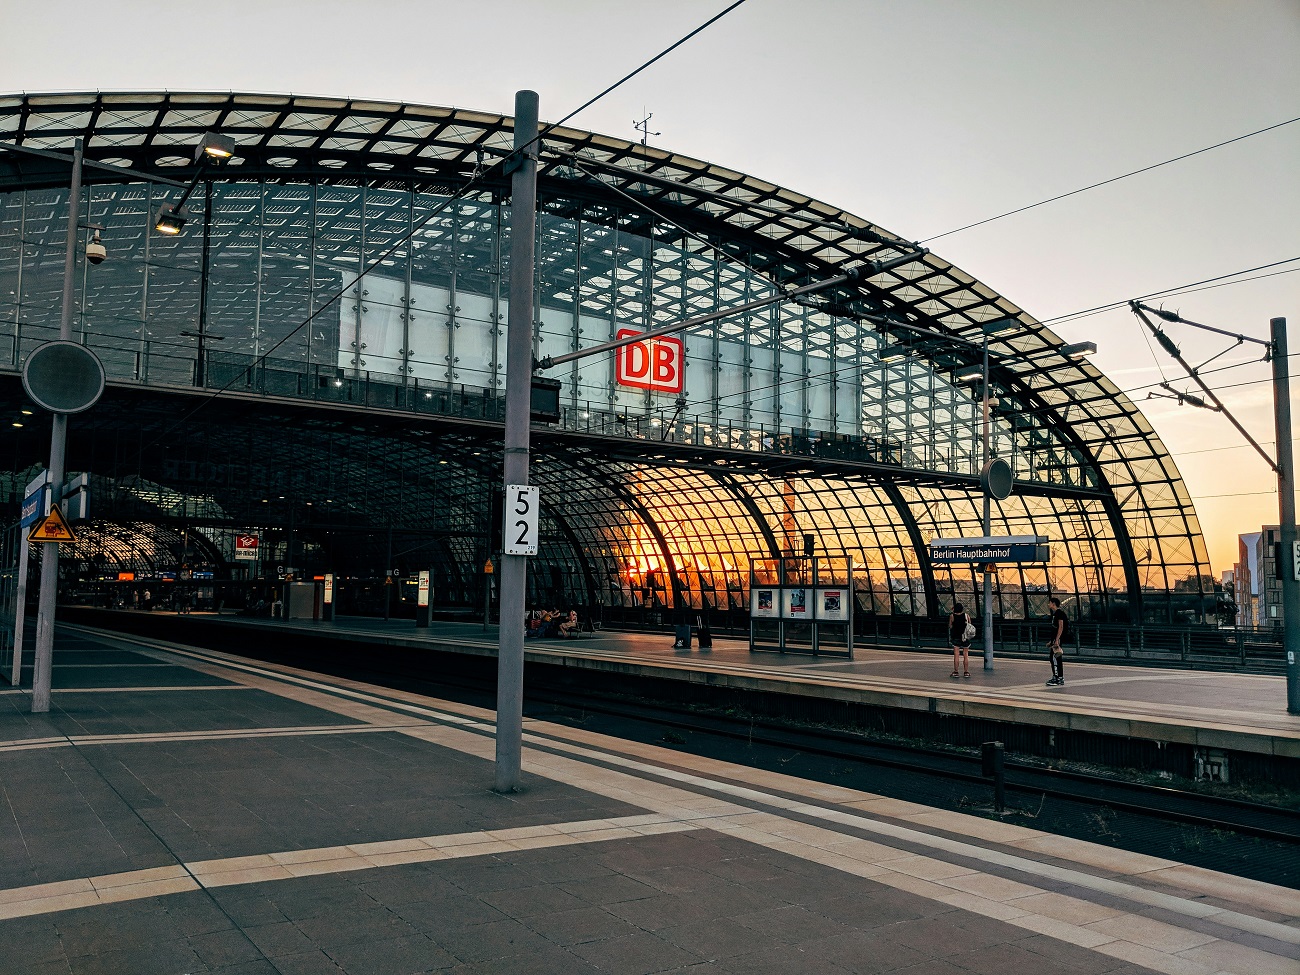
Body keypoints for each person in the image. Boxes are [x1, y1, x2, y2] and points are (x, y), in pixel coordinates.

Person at [1046, 596, 1068, 686]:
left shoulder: (1059, 613)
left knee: (1054, 658)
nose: (1049, 604)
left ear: (1053, 604)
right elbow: (1055, 629)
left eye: (1050, 603)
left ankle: (1058, 677)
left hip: (1057, 640)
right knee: (1054, 658)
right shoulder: (1055, 614)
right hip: (1055, 639)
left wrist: (1057, 640)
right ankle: (1058, 677)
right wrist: (1051, 641)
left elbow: (1061, 627)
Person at [948, 601, 972, 678]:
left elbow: (950, 626)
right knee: (965, 655)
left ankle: (956, 672)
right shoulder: (966, 616)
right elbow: (970, 625)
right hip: (965, 637)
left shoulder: (952, 616)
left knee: (956, 655)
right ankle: (966, 672)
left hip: (956, 637)